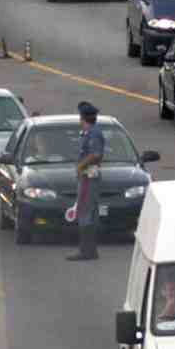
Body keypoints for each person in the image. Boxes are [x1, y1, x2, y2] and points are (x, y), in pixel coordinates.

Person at [67, 102, 105, 262]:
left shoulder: (93, 133)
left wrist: (80, 166)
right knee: (89, 212)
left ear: (84, 118)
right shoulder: (89, 132)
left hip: (88, 177)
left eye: (80, 117)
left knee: (84, 211)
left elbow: (96, 154)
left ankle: (85, 251)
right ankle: (91, 250)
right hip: (88, 176)